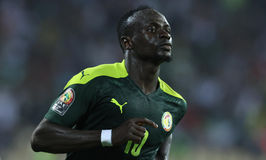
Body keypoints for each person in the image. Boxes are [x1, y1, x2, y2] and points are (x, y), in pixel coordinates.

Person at [30, 6, 187, 160]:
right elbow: (41, 137)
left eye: (167, 30)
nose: (165, 35)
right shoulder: (95, 81)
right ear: (127, 43)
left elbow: (160, 156)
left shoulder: (175, 103)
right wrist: (110, 136)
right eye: (152, 29)